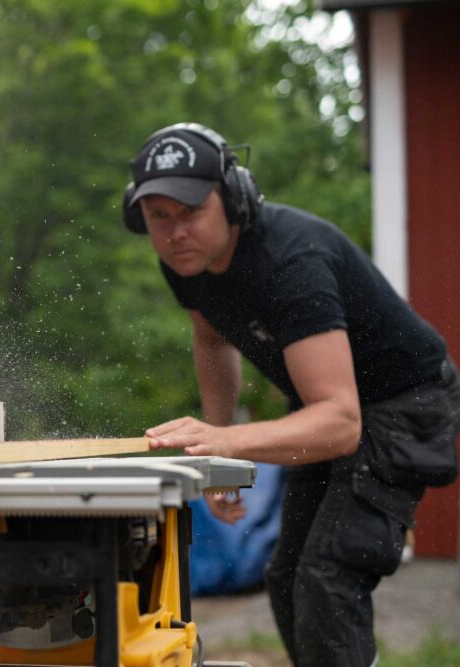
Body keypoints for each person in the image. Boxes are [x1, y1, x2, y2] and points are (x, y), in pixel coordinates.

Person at [121, 122, 460, 667]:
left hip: (404, 402)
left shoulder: (291, 262)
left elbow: (341, 423)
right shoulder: (187, 261)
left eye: (191, 211)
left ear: (234, 198)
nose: (176, 231)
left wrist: (227, 441)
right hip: (325, 407)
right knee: (285, 576)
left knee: (327, 579)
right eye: (159, 217)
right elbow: (211, 338)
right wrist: (216, 453)